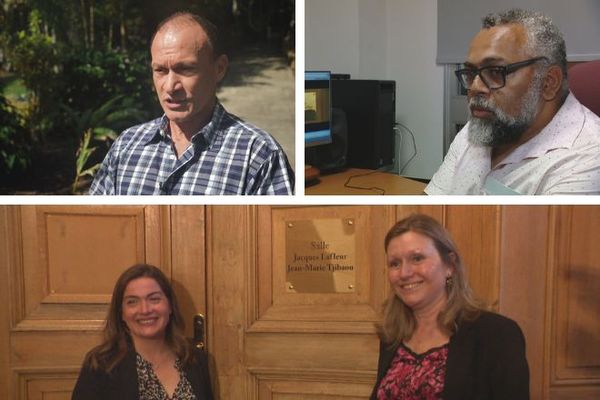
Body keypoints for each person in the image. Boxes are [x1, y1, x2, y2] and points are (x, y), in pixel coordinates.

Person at [89, 12, 294, 195]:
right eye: (160, 70)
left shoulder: (258, 156)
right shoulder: (126, 146)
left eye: (186, 69)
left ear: (219, 69)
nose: (170, 86)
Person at [426, 8, 600, 195]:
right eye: (470, 73)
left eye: (495, 72)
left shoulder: (589, 158)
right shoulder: (483, 125)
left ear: (548, 83)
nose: (475, 87)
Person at [371, 214, 529, 400]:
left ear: (450, 265)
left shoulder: (497, 333)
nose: (404, 273)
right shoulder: (392, 336)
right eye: (395, 263)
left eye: (417, 258)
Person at [72, 264, 213, 400]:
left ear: (170, 306)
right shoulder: (101, 365)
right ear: (121, 313)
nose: (145, 310)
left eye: (154, 299)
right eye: (132, 302)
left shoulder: (194, 358)